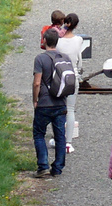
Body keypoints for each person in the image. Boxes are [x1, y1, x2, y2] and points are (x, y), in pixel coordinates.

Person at [32, 27, 72, 178]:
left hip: (44, 103)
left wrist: (35, 100)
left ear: (44, 41)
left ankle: (43, 166)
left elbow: (37, 83)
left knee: (39, 133)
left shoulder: (40, 59)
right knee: (60, 135)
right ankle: (58, 168)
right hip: (61, 103)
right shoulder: (65, 57)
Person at [56, 12, 85, 153]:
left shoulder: (58, 41)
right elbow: (80, 61)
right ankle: (68, 142)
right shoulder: (78, 40)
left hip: (59, 76)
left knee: (58, 109)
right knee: (71, 109)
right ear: (76, 25)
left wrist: (63, 27)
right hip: (73, 76)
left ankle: (58, 139)